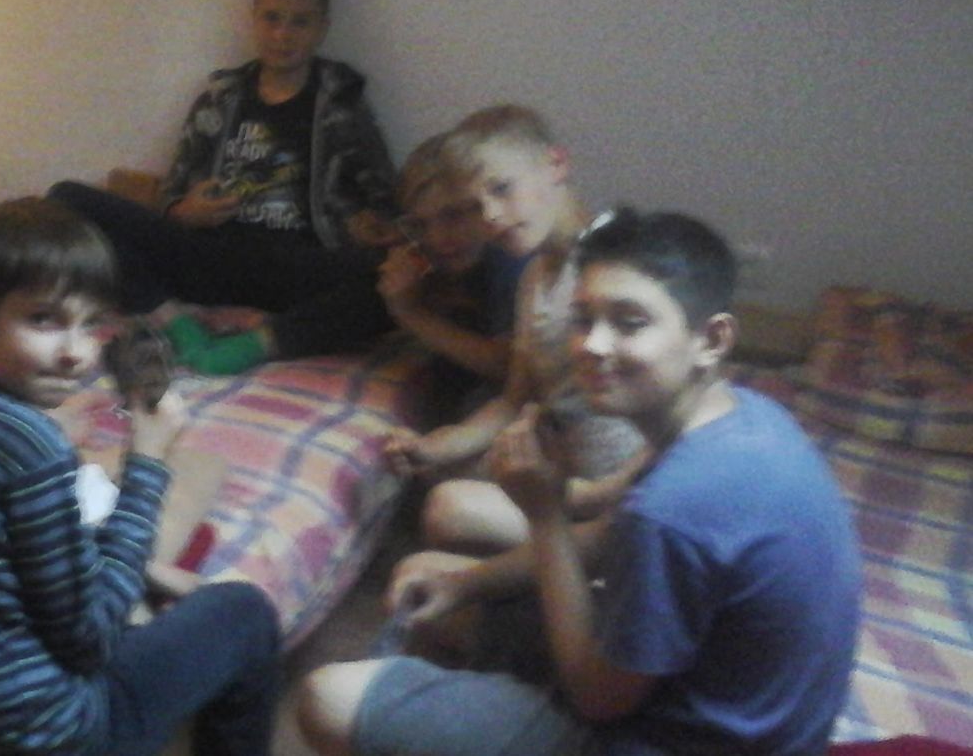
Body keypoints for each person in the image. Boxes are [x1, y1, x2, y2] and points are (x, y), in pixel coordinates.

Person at [297, 209, 862, 756]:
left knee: (327, 699)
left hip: (666, 733)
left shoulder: (675, 507)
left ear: (711, 340)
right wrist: (467, 583)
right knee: (436, 587)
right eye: (583, 318)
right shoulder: (744, 414)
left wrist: (544, 513)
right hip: (707, 698)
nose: (592, 344)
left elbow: (597, 698)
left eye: (629, 322)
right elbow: (608, 536)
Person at [0, 197, 281, 756]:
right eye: (43, 320)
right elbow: (90, 640)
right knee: (244, 613)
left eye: (91, 323)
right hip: (28, 738)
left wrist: (132, 566)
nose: (77, 353)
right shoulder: (26, 444)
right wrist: (148, 460)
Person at [49, 0, 398, 375]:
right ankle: (176, 323)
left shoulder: (342, 105)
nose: (283, 34)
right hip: (213, 256)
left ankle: (252, 345)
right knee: (65, 199)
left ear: (321, 28)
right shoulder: (221, 99)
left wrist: (366, 224)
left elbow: (385, 203)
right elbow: (173, 191)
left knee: (400, 281)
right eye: (272, 18)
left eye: (300, 22)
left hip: (298, 264)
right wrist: (184, 211)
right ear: (254, 19)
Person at [384, 105, 644, 554]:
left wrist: (588, 495)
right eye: (474, 206)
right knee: (437, 484)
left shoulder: (618, 263)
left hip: (629, 497)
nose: (490, 215)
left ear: (556, 165)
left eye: (502, 189)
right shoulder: (535, 279)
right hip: (572, 479)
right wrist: (434, 447)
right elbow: (513, 399)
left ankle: (574, 561)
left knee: (447, 511)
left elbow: (678, 416)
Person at [377, 132, 525, 421]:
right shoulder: (432, 257)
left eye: (454, 216)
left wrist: (410, 313)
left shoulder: (510, 257)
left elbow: (508, 367)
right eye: (420, 225)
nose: (438, 238)